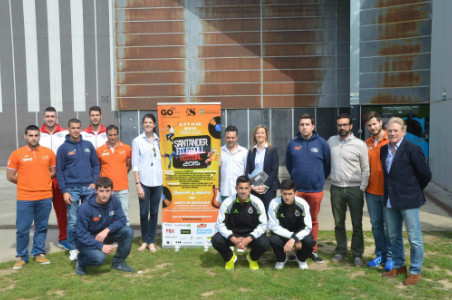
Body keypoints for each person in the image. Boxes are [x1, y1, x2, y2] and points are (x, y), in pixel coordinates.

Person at [380, 117, 431, 286]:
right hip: (390, 200)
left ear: (403, 131)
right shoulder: (383, 149)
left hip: (409, 200)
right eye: (390, 130)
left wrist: (413, 189)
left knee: (414, 238)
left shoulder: (412, 149)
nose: (393, 133)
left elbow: (425, 174)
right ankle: (399, 266)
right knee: (394, 236)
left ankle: (415, 271)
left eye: (396, 130)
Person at [7, 125, 56, 269]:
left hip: (45, 196)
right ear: (25, 136)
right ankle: (22, 256)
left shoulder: (49, 153)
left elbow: (53, 171)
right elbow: (10, 176)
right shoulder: (17, 154)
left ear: (39, 136)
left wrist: (43, 180)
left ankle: (39, 254)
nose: (33, 138)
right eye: (30, 135)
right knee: (23, 228)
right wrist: (26, 183)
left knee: (41, 227)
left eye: (36, 135)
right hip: (25, 197)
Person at [286, 113, 330, 263]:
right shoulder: (293, 143)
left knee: (313, 220)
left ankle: (313, 249)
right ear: (299, 127)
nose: (304, 127)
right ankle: (296, 249)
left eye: (307, 124)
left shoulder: (322, 143)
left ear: (313, 126)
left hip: (315, 190)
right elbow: (289, 165)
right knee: (296, 221)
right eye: (301, 124)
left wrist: (317, 179)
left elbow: (327, 166)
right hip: (297, 191)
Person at [327, 113, 369, 267]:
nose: (342, 127)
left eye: (345, 125)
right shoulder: (331, 142)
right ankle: (341, 251)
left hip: (355, 189)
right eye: (339, 125)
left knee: (356, 224)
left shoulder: (360, 145)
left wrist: (362, 187)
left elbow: (366, 169)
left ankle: (357, 254)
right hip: (336, 188)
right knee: (339, 223)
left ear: (351, 126)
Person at [57, 118, 100, 261]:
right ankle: (73, 248)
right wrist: (64, 191)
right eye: (73, 128)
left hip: (88, 189)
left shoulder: (88, 145)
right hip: (72, 189)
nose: (75, 130)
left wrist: (94, 182)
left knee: (89, 219)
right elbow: (60, 172)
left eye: (78, 127)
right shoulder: (63, 148)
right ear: (68, 129)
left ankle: (88, 245)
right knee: (73, 221)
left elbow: (95, 165)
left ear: (81, 129)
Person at [74, 177, 134, 275]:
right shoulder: (85, 208)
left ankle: (118, 263)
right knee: (99, 258)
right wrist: (101, 246)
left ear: (112, 191)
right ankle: (81, 260)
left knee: (128, 231)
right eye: (101, 191)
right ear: (96, 190)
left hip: (104, 235)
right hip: (85, 239)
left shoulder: (114, 201)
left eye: (107, 191)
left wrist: (107, 230)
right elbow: (81, 234)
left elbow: (122, 219)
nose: (104, 194)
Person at [211, 175, 269, 270]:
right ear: (236, 188)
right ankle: (230, 258)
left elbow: (263, 225)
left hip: (250, 234)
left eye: (246, 188)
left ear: (250, 188)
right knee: (216, 240)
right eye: (241, 188)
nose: (243, 191)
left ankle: (252, 258)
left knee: (265, 242)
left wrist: (249, 238)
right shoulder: (227, 202)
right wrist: (232, 238)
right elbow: (220, 224)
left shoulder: (257, 202)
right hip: (233, 234)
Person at [364, 111, 393, 271]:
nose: (372, 127)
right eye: (369, 125)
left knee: (390, 227)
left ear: (381, 123)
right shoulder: (366, 143)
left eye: (374, 124)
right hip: (371, 192)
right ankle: (380, 254)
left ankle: (390, 257)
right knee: (376, 225)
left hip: (388, 193)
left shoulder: (391, 140)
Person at [39, 106, 70, 250]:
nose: (50, 118)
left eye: (53, 116)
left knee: (62, 210)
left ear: (56, 118)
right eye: (48, 116)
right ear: (44, 118)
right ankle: (39, 244)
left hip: (59, 177)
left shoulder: (64, 133)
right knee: (40, 211)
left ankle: (63, 238)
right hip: (42, 178)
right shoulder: (37, 134)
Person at [132, 114, 163, 253]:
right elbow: (135, 164)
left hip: (158, 182)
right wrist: (138, 184)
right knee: (144, 213)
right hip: (144, 182)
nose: (148, 124)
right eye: (145, 122)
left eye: (150, 122)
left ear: (154, 124)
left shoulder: (160, 141)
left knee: (154, 212)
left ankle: (151, 241)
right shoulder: (137, 141)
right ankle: (144, 240)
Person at [268, 179, 316, 270]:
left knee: (309, 241)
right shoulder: (274, 203)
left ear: (295, 193)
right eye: (284, 193)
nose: (287, 197)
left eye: (290, 194)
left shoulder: (302, 204)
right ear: (281, 192)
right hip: (282, 234)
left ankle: (301, 259)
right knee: (273, 239)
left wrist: (295, 238)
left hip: (299, 234)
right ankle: (281, 259)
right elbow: (274, 227)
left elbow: (307, 227)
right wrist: (292, 237)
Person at [97, 125, 132, 225]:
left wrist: (120, 174)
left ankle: (125, 239)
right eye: (110, 135)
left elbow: (128, 165)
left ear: (118, 135)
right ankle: (107, 238)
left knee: (124, 214)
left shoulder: (126, 148)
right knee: (106, 215)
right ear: (106, 135)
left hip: (122, 188)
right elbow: (98, 167)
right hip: (106, 189)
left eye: (115, 135)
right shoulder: (99, 150)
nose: (112, 137)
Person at [245, 125, 280, 212]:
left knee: (268, 214)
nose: (260, 135)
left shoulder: (272, 150)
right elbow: (247, 171)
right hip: (254, 188)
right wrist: (253, 187)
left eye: (262, 133)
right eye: (257, 133)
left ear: (266, 135)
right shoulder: (251, 151)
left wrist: (265, 186)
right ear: (254, 135)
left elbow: (275, 170)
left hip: (269, 188)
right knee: (256, 213)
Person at [219, 125, 248, 202]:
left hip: (241, 192)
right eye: (228, 137)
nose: (230, 140)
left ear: (236, 138)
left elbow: (247, 172)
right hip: (224, 191)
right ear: (225, 137)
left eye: (232, 137)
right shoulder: (219, 152)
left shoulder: (244, 152)